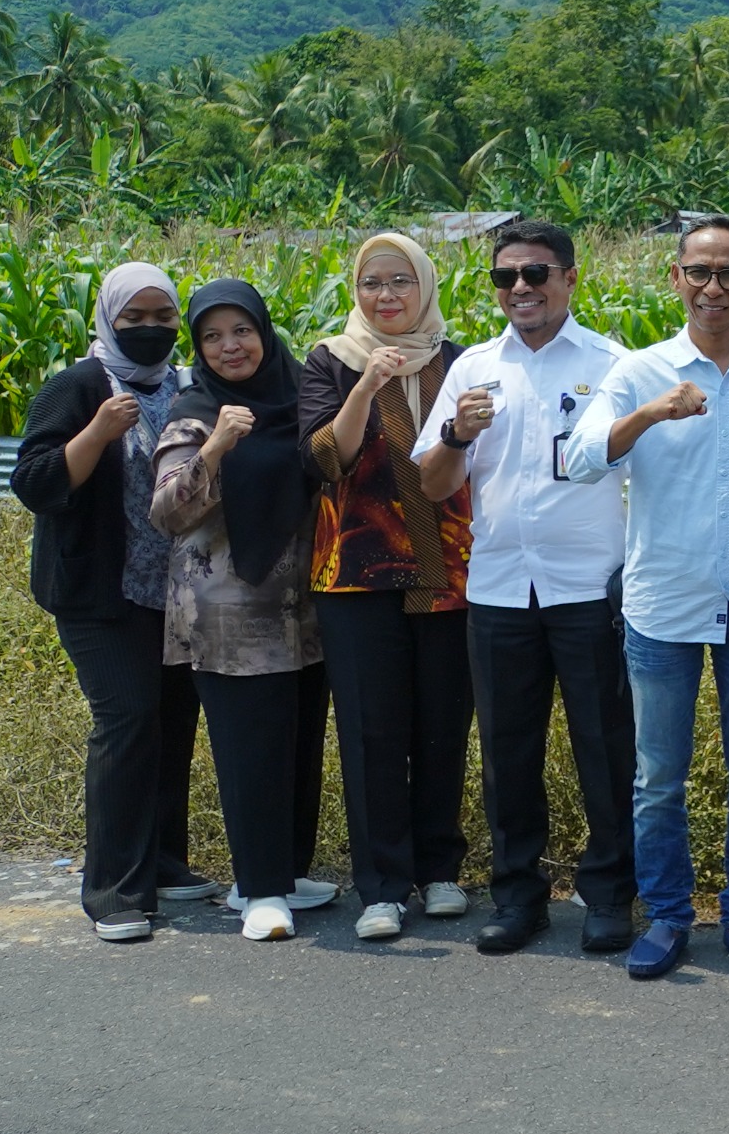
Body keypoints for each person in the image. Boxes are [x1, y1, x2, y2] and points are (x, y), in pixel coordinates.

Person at [568, 212, 729, 982]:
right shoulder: (639, 371)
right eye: (699, 273)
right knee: (656, 778)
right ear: (674, 279)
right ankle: (669, 915)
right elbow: (580, 459)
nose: (714, 288)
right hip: (662, 602)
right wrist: (649, 414)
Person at [411, 220, 637, 957]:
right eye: (504, 276)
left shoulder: (613, 364)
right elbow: (433, 484)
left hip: (587, 587)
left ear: (571, 278)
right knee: (508, 754)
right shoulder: (474, 368)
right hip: (502, 588)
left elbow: (648, 475)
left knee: (605, 749)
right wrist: (454, 434)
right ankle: (517, 896)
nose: (520, 288)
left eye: (536, 273)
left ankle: (607, 898)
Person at [12, 263, 210, 941]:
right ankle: (112, 889)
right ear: (108, 317)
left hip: (173, 593)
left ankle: (162, 863)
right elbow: (35, 481)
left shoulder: (184, 386)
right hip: (100, 594)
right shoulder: (78, 385)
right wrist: (96, 430)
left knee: (170, 723)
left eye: (164, 317)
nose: (151, 330)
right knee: (126, 721)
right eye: (136, 318)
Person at [300, 231, 475, 943]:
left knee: (441, 724)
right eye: (373, 282)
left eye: (401, 280)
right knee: (372, 731)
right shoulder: (330, 360)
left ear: (425, 285)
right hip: (356, 573)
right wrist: (368, 384)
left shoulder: (460, 361)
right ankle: (380, 885)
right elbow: (324, 459)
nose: (387, 295)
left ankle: (439, 871)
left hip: (446, 572)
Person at [148, 280, 331, 943]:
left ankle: (286, 869)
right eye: (213, 336)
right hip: (228, 618)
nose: (231, 346)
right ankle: (257, 888)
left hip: (304, 610)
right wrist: (218, 444)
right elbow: (168, 510)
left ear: (263, 329)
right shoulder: (194, 411)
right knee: (251, 752)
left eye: (242, 330)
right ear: (198, 348)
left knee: (300, 744)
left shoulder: (294, 399)